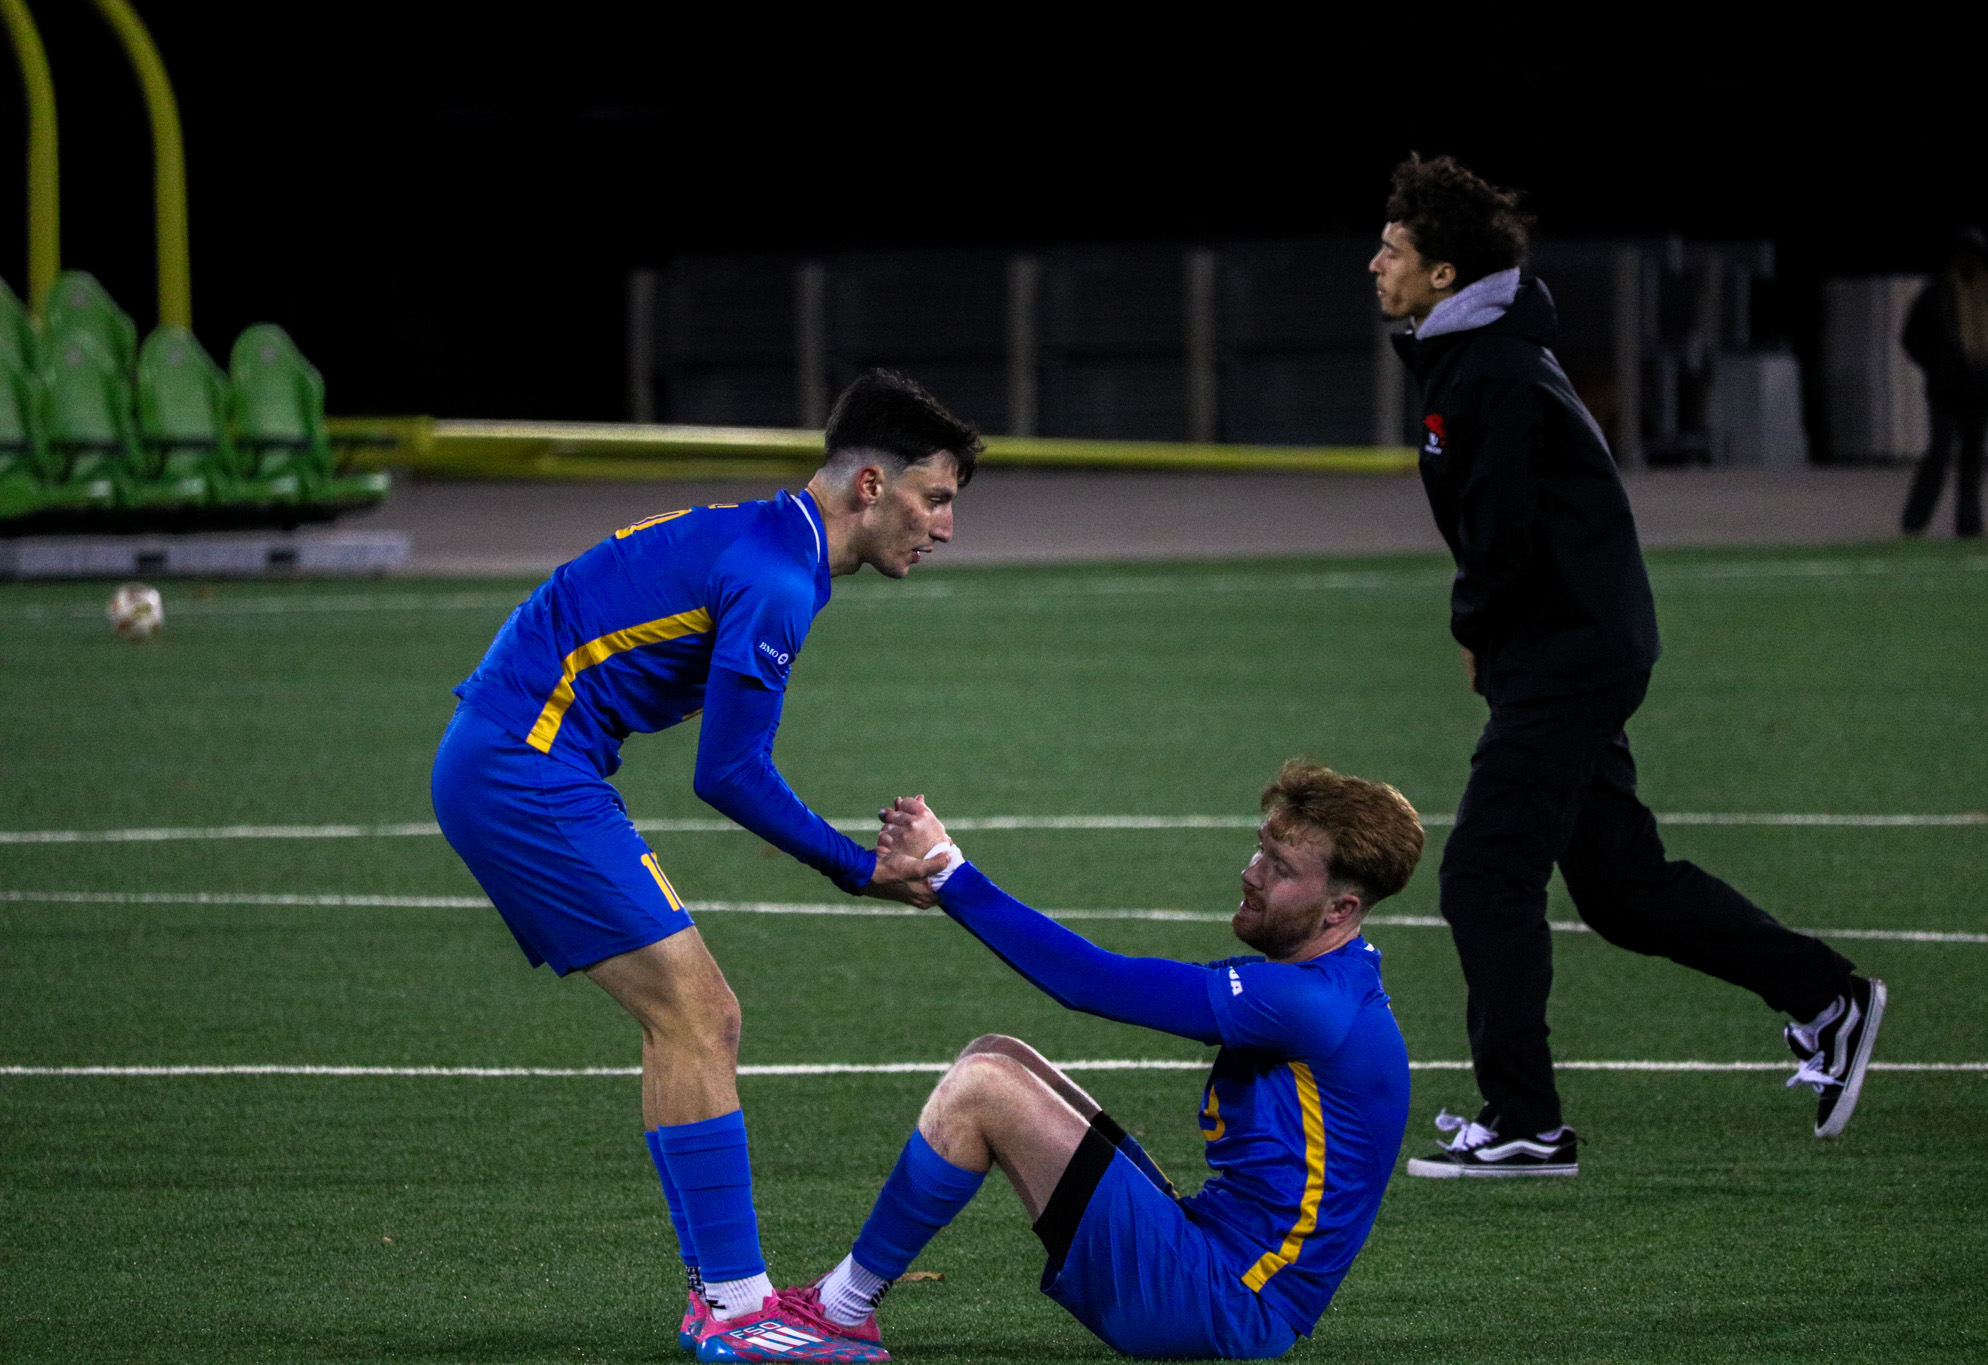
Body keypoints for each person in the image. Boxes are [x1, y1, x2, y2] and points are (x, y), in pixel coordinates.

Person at [430, 370, 979, 1362]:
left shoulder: (775, 546)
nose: (942, 526)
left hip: (525, 756)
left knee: (697, 1016)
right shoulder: (775, 576)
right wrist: (861, 869)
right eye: (932, 498)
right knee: (695, 1016)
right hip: (523, 766)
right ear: (867, 485)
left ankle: (725, 1300)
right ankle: (733, 1311)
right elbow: (727, 775)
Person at [1369, 154, 1886, 1178]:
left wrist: (1476, 622)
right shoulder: (1471, 355)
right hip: (1564, 646)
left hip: (1566, 651)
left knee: (1482, 878)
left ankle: (1522, 1122)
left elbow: (1505, 538)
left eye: (1392, 248)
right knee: (1619, 887)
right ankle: (1825, 996)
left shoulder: (1493, 371)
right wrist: (1493, 630)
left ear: (1441, 275)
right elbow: (1504, 531)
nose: (1373, 261)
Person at [750, 762, 1423, 1363]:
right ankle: (839, 1305)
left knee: (984, 1089)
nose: (1251, 872)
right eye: (1261, 849)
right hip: (1215, 1260)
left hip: (1226, 1306)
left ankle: (837, 1312)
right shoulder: (1331, 981)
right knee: (995, 1054)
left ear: (1342, 907)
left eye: (1280, 868)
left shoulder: (1310, 1003)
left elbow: (1093, 982)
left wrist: (949, 870)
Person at [1900, 228, 1988, 538]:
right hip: (1946, 390)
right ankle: (1915, 521)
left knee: (1972, 458)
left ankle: (1968, 523)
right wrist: (1936, 367)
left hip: (1982, 390)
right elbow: (1912, 339)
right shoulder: (1937, 296)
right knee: (1940, 451)